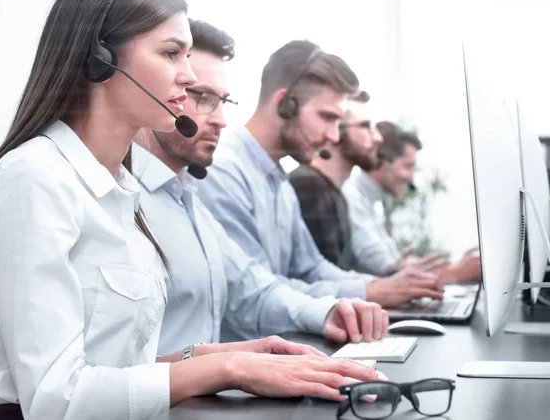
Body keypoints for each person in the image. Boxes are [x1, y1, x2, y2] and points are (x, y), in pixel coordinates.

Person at [0, 0, 384, 420]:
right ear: (100, 59)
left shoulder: (120, 189)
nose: (187, 74)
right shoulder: (33, 180)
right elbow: (56, 397)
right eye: (172, 53)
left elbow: (116, 374)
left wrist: (229, 360)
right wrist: (227, 368)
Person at [133, 19, 389, 356]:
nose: (222, 119)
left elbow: (253, 287)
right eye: (204, 98)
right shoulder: (208, 177)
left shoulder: (188, 195)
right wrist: (372, 291)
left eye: (223, 101)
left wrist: (330, 309)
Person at [196, 40, 445, 310]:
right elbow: (255, 293)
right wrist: (370, 293)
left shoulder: (279, 182)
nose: (334, 136)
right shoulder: (222, 175)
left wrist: (379, 286)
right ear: (284, 105)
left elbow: (312, 268)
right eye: (327, 118)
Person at [343, 121, 481, 282]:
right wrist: (455, 274)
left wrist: (446, 267)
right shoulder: (351, 197)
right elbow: (383, 267)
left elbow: (393, 262)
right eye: (407, 166)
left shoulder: (372, 202)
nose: (411, 177)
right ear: (382, 163)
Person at [289, 99, 384, 271]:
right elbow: (318, 278)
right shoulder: (309, 187)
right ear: (335, 130)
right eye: (366, 126)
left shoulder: (334, 192)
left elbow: (343, 271)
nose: (378, 138)